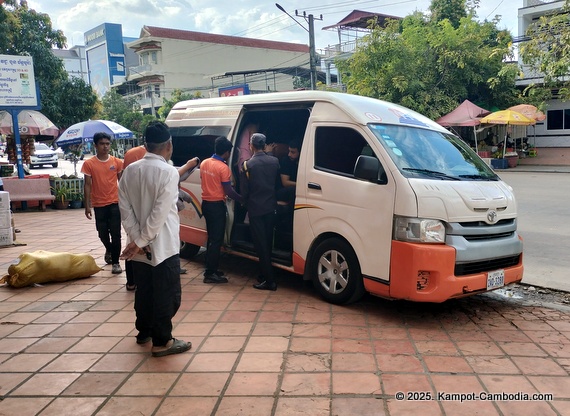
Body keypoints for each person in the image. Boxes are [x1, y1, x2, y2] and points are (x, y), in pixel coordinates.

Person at [118, 121, 191, 357]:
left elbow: (125, 208)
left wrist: (137, 239)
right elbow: (159, 213)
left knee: (145, 291)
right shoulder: (168, 172)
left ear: (145, 145)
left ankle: (144, 332)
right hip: (163, 246)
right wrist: (142, 241)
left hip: (139, 247)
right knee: (167, 294)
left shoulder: (130, 170)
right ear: (169, 145)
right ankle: (163, 341)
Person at [240, 133, 280, 291]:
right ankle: (265, 274)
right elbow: (277, 185)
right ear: (264, 145)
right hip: (270, 207)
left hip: (255, 209)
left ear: (251, 146)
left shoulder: (247, 165)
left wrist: (243, 203)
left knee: (260, 245)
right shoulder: (274, 161)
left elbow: (244, 192)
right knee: (268, 243)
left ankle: (270, 281)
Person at [200, 136, 242, 283]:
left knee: (211, 239)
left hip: (205, 204)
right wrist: (242, 199)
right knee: (217, 240)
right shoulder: (223, 168)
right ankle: (210, 274)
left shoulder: (205, 163)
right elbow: (228, 191)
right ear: (226, 152)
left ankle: (211, 268)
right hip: (216, 206)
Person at [82, 132, 123, 275]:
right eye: (102, 144)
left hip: (114, 203)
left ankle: (116, 262)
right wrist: (87, 205)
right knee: (102, 233)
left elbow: (122, 183)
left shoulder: (117, 162)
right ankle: (109, 249)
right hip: (99, 204)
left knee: (116, 234)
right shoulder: (89, 164)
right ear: (95, 145)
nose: (105, 147)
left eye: (107, 144)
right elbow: (87, 185)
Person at [277, 139, 301, 204]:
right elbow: (285, 182)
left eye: (293, 152)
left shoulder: (302, 162)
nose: (289, 154)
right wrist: (301, 184)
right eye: (289, 151)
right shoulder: (286, 161)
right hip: (281, 190)